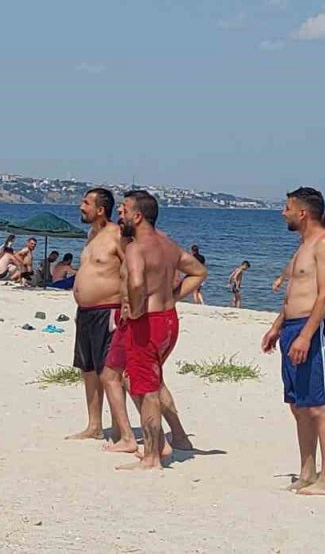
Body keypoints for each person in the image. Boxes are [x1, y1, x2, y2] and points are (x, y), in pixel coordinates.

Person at [260, 187, 325, 496]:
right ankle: (307, 471)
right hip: (291, 328)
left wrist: (307, 335)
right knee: (298, 405)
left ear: (303, 213)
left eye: (287, 207)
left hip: (312, 329)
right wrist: (276, 327)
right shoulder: (303, 246)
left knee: (319, 406)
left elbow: (323, 295)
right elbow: (293, 294)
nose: (283, 212)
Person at [116, 190, 206, 470]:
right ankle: (167, 443)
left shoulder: (135, 248)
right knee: (146, 381)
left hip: (148, 321)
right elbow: (199, 272)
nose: (122, 214)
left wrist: (137, 307)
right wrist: (174, 295)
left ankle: (152, 456)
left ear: (138, 216)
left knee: (147, 389)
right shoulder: (168, 245)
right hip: (168, 319)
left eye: (125, 209)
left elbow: (136, 281)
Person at [66, 188, 133, 449]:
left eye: (86, 203)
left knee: (111, 371)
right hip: (86, 313)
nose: (80, 206)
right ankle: (94, 426)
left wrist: (128, 302)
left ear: (101, 209)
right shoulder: (91, 234)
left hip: (109, 311)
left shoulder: (117, 235)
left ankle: (119, 428)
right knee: (89, 369)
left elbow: (132, 268)